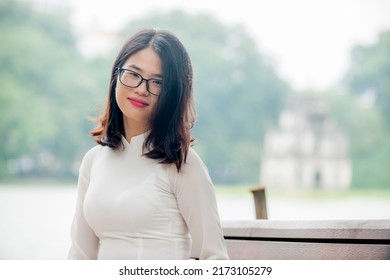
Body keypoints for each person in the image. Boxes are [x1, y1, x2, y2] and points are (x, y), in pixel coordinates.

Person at [67, 29, 229, 260]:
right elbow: (80, 255)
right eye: (133, 74)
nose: (142, 89)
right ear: (116, 75)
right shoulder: (94, 160)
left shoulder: (182, 163)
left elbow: (215, 259)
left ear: (172, 94)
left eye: (157, 82)